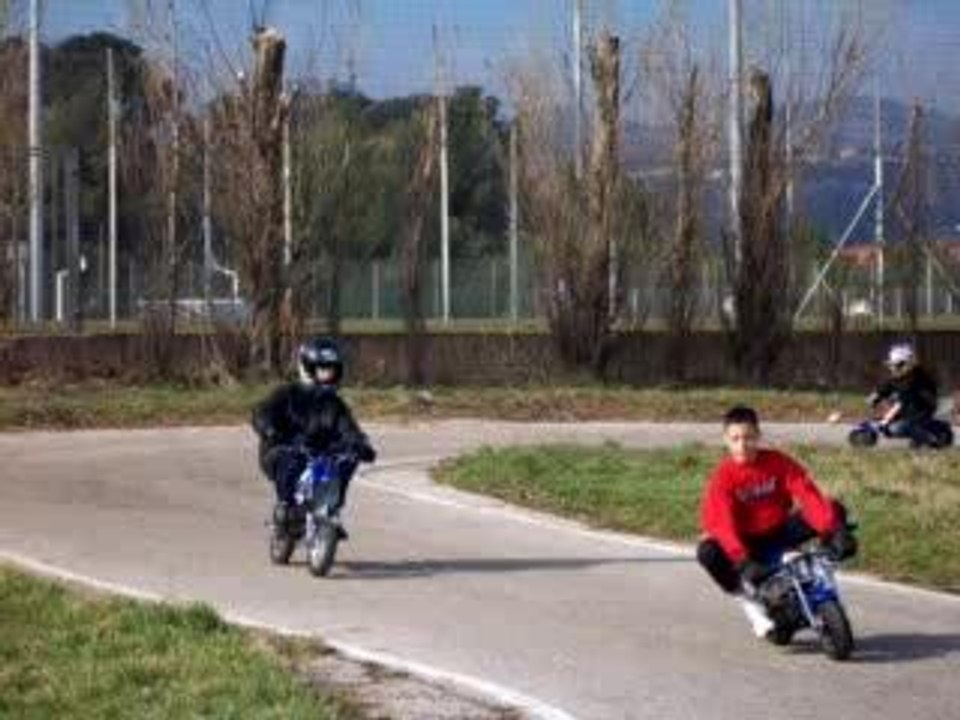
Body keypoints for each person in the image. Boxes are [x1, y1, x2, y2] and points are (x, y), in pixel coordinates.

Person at [696, 405, 857, 637]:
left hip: (779, 530)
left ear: (758, 435)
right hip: (747, 543)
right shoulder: (723, 477)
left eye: (748, 437)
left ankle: (824, 564)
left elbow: (806, 493)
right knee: (707, 551)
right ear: (726, 440)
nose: (742, 445)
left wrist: (834, 529)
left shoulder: (777, 462)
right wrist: (742, 561)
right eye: (735, 439)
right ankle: (749, 602)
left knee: (833, 508)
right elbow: (722, 523)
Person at [251, 337, 376, 537]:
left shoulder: (335, 404)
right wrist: (268, 429)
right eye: (322, 370)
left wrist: (359, 444)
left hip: (319, 455)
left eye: (331, 370)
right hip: (281, 449)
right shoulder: (286, 394)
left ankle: (332, 507)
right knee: (291, 459)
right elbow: (262, 412)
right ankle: (286, 506)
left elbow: (348, 428)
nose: (328, 375)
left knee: (348, 458)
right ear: (307, 368)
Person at [869, 342, 940, 447]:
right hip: (905, 408)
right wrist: (876, 396)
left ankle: (930, 440)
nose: (894, 368)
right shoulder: (898, 378)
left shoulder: (920, 379)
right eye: (893, 365)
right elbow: (886, 387)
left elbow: (925, 398)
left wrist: (909, 397)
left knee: (900, 427)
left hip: (921, 410)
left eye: (898, 365)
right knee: (888, 421)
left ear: (908, 364)